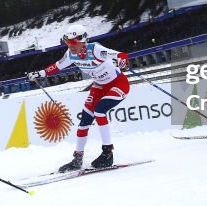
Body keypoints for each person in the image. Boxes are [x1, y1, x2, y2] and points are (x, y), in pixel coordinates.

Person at [26, 24, 130, 172]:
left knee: (99, 111)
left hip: (117, 84)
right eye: (68, 42)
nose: (70, 46)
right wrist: (40, 74)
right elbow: (57, 66)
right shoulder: (70, 54)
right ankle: (78, 158)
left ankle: (108, 153)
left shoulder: (95, 49)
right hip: (99, 86)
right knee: (84, 122)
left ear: (83, 40)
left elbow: (120, 55)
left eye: (73, 42)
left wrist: (122, 61)